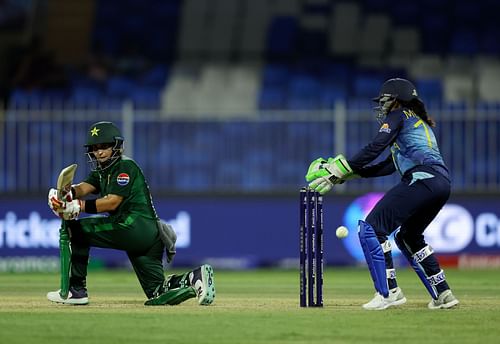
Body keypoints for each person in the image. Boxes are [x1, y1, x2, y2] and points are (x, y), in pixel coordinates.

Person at [305, 78, 459, 310]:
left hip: (422, 179)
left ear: (397, 99)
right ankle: (443, 294)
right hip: (441, 184)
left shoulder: (398, 115)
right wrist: (346, 175)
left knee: (371, 229)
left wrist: (337, 168)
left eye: (386, 100)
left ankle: (388, 293)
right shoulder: (417, 123)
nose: (383, 105)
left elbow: (374, 148)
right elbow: (387, 166)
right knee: (408, 237)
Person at [47, 121, 216, 306]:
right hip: (149, 236)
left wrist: (78, 206)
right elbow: (83, 188)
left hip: (134, 226)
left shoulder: (124, 167)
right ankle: (196, 278)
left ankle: (75, 290)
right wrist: (65, 194)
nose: (99, 152)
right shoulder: (103, 171)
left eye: (104, 146)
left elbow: (112, 202)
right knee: (157, 291)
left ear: (116, 146)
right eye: (95, 148)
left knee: (76, 231)